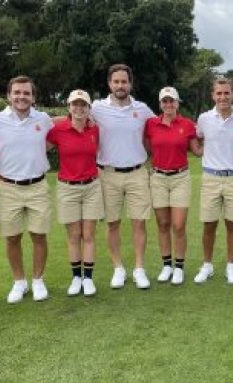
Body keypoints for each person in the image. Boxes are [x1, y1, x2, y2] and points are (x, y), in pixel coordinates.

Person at [91, 64, 155, 289]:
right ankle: (118, 268)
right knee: (112, 224)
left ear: (130, 83)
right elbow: (72, 120)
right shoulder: (96, 108)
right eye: (116, 81)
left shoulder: (142, 109)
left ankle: (139, 268)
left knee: (139, 223)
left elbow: (159, 129)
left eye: (124, 81)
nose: (120, 85)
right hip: (107, 174)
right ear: (109, 83)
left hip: (137, 173)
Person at [0, 75, 53, 303]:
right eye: (17, 92)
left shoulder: (43, 119)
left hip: (37, 186)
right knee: (12, 238)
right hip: (9, 187)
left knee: (39, 235)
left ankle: (38, 280)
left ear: (33, 97)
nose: (21, 97)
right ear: (8, 96)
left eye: (26, 93)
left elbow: (61, 127)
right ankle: (19, 282)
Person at [194, 77, 233, 284]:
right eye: (219, 93)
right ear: (213, 95)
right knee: (209, 225)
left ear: (232, 94)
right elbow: (198, 139)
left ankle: (231, 266)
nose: (223, 97)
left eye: (226, 93)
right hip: (210, 177)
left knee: (232, 225)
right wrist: (200, 151)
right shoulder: (204, 118)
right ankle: (207, 265)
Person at [47, 89, 104, 296]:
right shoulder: (58, 130)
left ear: (89, 108)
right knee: (73, 235)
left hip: (91, 187)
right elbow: (40, 144)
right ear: (69, 107)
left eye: (83, 105)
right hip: (67, 188)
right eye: (75, 104)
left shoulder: (94, 130)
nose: (79, 108)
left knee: (88, 234)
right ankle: (76, 277)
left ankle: (88, 278)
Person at [144, 87, 202, 285]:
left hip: (180, 178)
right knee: (162, 224)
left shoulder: (187, 125)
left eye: (172, 101)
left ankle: (179, 267)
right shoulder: (151, 124)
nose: (169, 105)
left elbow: (197, 151)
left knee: (178, 225)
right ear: (160, 104)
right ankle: (166, 265)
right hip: (158, 178)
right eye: (165, 101)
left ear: (178, 103)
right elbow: (147, 148)